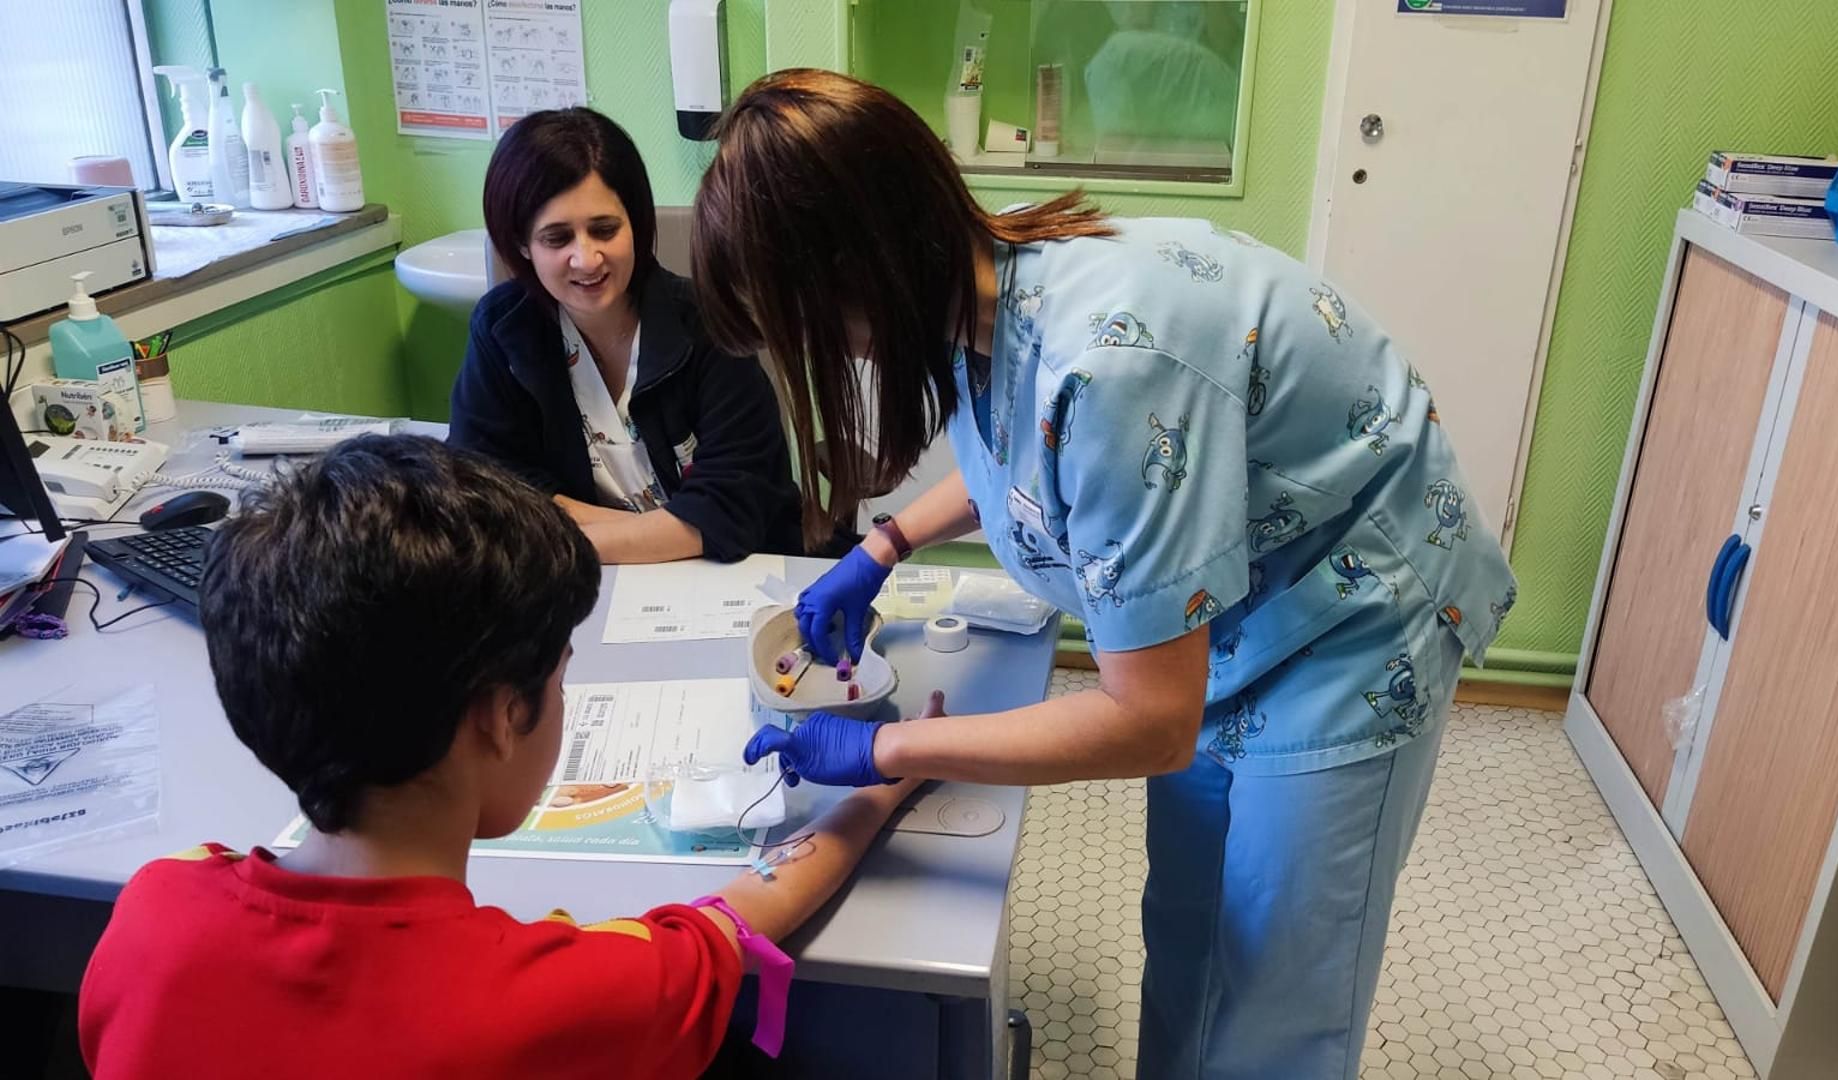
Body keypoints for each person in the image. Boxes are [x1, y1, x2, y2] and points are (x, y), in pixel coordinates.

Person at [695, 70, 1518, 1080]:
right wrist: (883, 548)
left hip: (1355, 617)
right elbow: (1036, 461)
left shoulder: (1112, 361)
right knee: (1192, 925)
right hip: (1233, 607)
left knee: (1274, 988)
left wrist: (887, 749)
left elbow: (1147, 721)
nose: (840, 355)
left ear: (858, 266)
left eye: (816, 329)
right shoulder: (980, 290)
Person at [77, 435, 934, 1080]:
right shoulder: (574, 995)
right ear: (499, 718)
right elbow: (743, 913)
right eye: (560, 677)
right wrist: (889, 772)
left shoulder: (152, 919)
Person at [450, 107, 806, 564]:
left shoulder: (709, 323)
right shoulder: (503, 328)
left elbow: (732, 512)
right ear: (522, 244)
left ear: (635, 224)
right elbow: (481, 489)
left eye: (604, 229)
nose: (587, 258)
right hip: (592, 588)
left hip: (736, 577)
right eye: (557, 239)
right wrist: (668, 528)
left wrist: (551, 535)